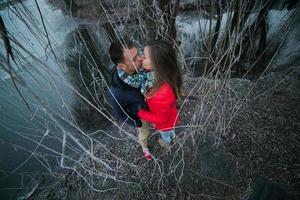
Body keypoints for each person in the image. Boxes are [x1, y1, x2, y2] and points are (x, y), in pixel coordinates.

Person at [108, 38, 152, 160]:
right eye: (134, 59)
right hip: (142, 116)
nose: (140, 58)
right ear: (122, 66)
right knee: (144, 133)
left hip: (154, 106)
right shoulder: (116, 93)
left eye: (138, 54)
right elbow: (121, 114)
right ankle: (145, 147)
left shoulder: (143, 66)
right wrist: (136, 122)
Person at [137, 40, 182, 149]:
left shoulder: (160, 93)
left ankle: (166, 144)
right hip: (171, 117)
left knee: (165, 134)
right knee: (171, 130)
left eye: (145, 57)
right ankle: (173, 137)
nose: (141, 58)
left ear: (157, 64)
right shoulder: (163, 77)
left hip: (164, 124)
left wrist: (141, 112)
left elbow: (161, 119)